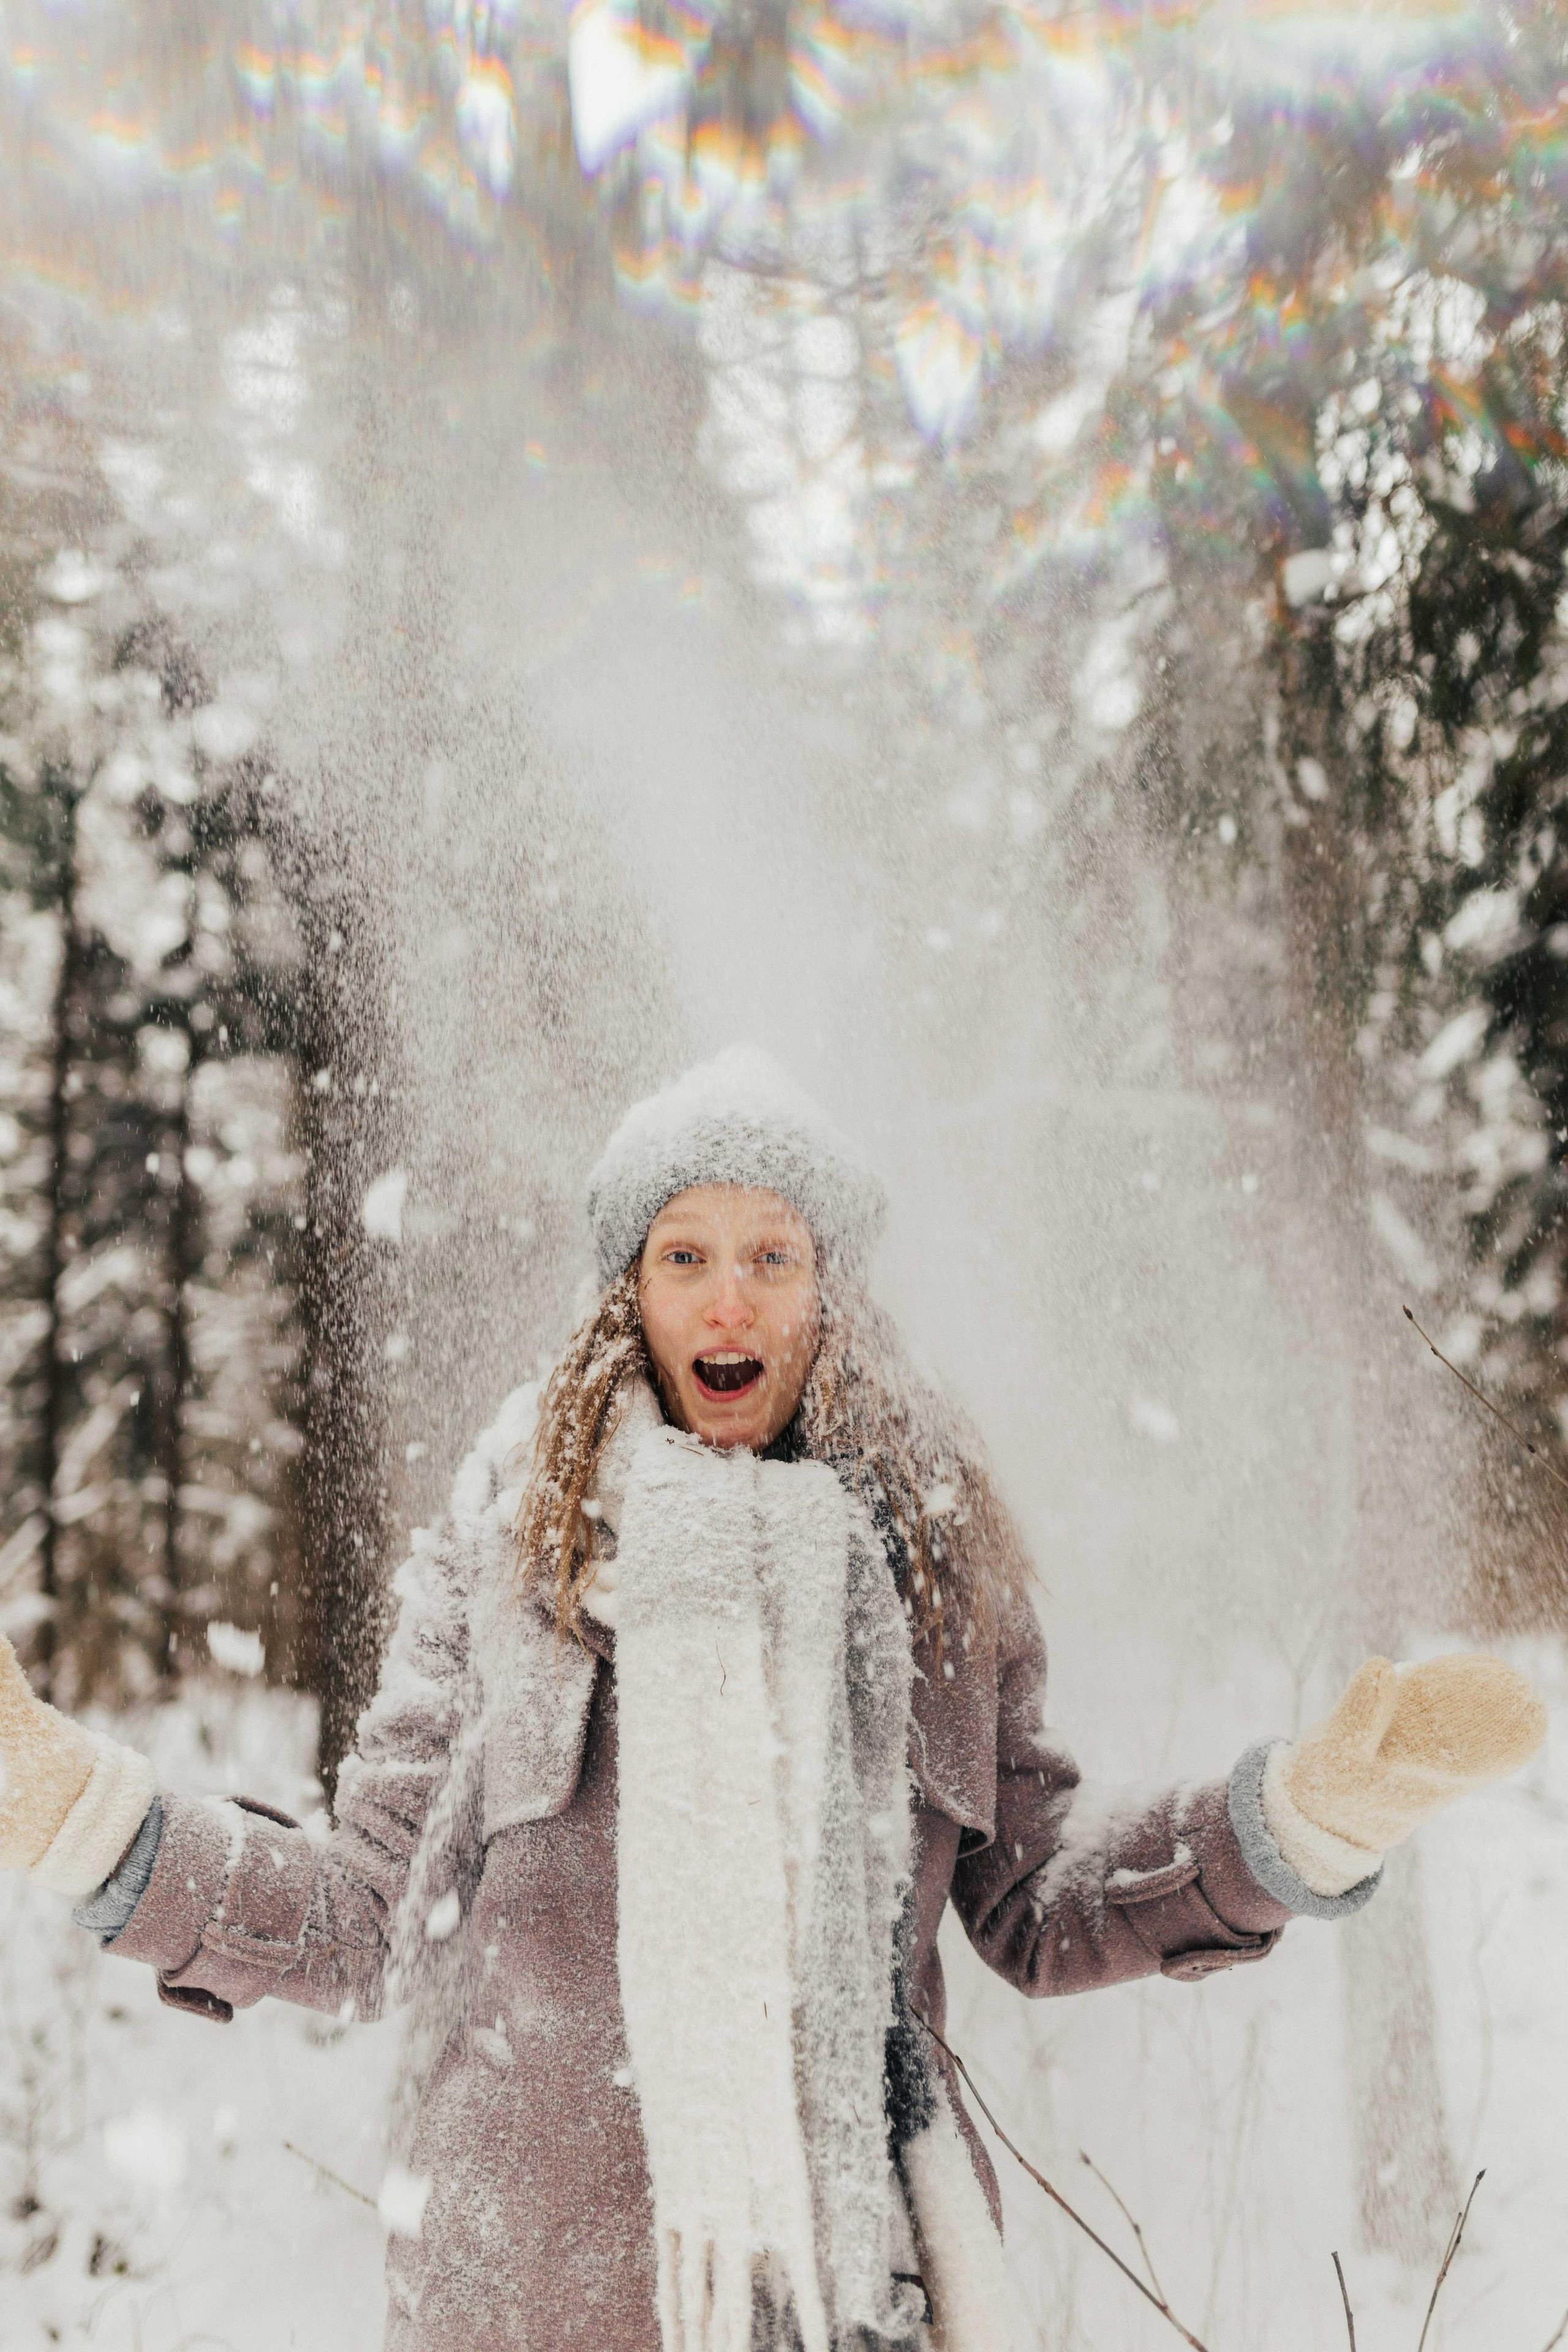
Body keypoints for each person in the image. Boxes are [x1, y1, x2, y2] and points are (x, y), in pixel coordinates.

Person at [0, 1047, 1547, 2352]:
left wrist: (1294, 1823)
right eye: (684, 1257)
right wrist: (78, 1813)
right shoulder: (512, 1543)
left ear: (829, 1292)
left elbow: (1039, 1905)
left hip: (844, 2293)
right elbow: (360, 1916)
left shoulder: (932, 1562)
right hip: (527, 2295)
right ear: (629, 1292)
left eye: (770, 1256)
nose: (726, 1302)